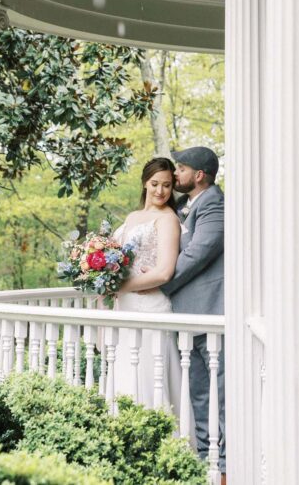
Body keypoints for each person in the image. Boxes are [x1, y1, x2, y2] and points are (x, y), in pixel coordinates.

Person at [161, 146, 225, 479]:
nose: (176, 175)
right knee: (200, 393)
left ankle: (226, 465)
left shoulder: (213, 203)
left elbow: (200, 252)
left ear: (199, 175)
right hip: (189, 316)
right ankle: (205, 458)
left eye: (181, 168)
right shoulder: (186, 206)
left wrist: (161, 283)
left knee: (220, 394)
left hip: (210, 312)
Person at [112, 157, 183, 412]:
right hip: (125, 306)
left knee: (148, 374)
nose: (160, 191)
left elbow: (164, 273)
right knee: (125, 371)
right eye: (155, 184)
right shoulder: (133, 216)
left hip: (149, 305)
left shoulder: (168, 219)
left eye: (166, 185)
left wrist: (119, 287)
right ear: (145, 183)